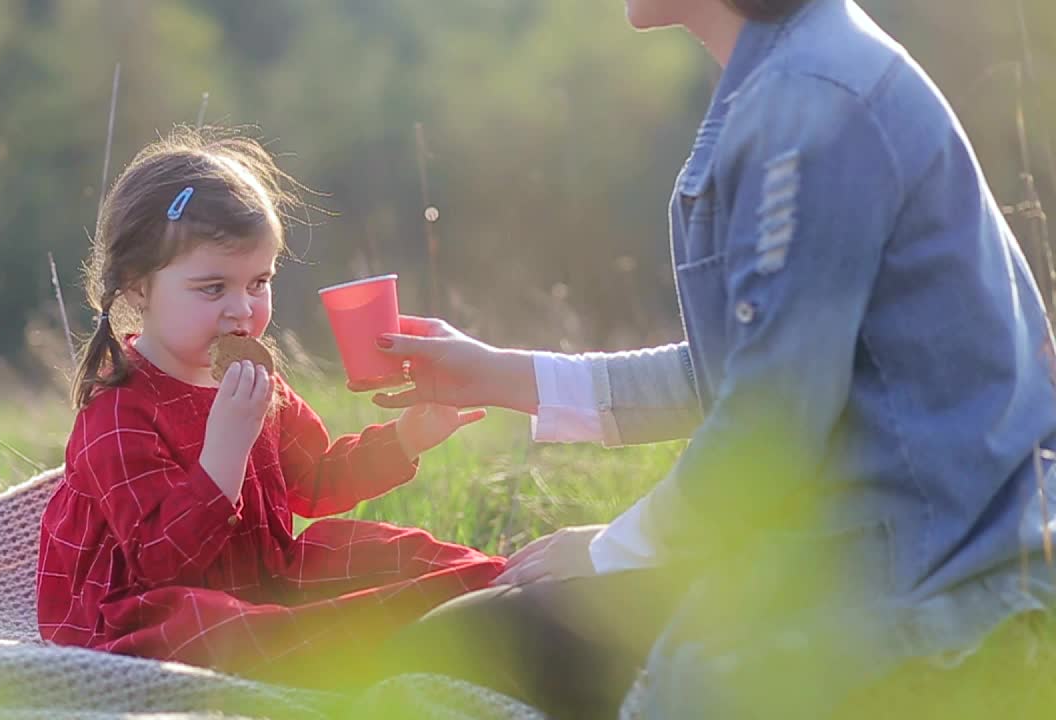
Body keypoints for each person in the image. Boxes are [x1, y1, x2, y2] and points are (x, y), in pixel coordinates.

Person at [363, 1, 1056, 717]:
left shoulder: (810, 105)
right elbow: (744, 367)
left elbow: (772, 421)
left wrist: (613, 548)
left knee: (452, 659)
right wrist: (499, 375)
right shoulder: (797, 73)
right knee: (472, 630)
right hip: (887, 546)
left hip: (933, 587)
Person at [35, 129, 503, 689]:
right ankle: (373, 642)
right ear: (138, 287)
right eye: (213, 289)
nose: (243, 309)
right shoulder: (118, 412)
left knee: (371, 549)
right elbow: (162, 563)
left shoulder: (256, 378)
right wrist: (225, 452)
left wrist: (405, 438)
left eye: (259, 282)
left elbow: (316, 481)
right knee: (213, 630)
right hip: (143, 609)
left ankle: (499, 589)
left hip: (256, 572)